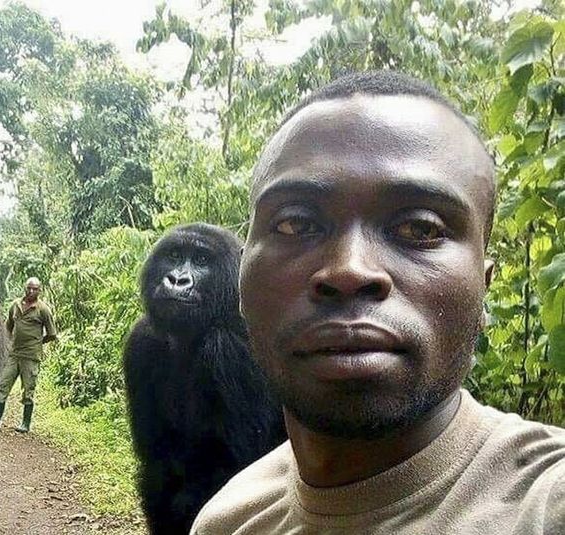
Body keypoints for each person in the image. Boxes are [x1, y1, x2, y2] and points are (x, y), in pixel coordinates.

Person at [190, 71, 565, 534]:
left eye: (420, 228)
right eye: (294, 224)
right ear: (242, 284)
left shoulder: (546, 501)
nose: (349, 269)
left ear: (483, 287)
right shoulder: (231, 521)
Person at [0, 277, 57, 433]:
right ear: (25, 288)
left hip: (31, 356)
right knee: (1, 385)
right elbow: (7, 328)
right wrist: (6, 345)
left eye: (35, 289)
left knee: (28, 389)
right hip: (13, 354)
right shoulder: (15, 305)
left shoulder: (43, 310)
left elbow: (52, 334)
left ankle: (25, 423)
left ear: (40, 291)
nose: (31, 291)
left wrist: (37, 343)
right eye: (29, 288)